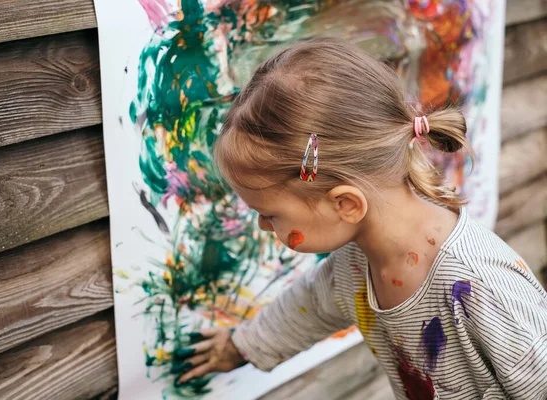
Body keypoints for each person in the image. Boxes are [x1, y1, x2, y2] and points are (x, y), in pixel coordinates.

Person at [174, 38, 547, 399]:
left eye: (270, 214)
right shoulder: (356, 264)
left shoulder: (481, 285)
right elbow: (309, 306)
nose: (263, 226)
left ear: (347, 204)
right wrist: (241, 346)